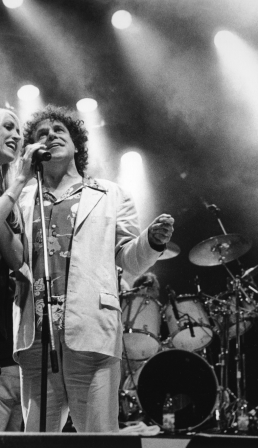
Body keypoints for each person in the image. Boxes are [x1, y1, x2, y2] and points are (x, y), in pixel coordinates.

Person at [12, 104, 174, 433]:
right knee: (36, 440)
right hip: (37, 334)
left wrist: (152, 241)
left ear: (76, 144)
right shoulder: (23, 198)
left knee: (98, 437)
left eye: (59, 130)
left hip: (92, 329)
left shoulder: (110, 194)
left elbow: (129, 259)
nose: (51, 135)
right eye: (42, 134)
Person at [0, 108, 42, 431]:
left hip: (8, 339)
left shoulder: (9, 195)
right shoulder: (12, 189)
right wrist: (19, 182)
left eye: (18, 130)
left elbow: (16, 258)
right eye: (7, 127)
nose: (16, 136)